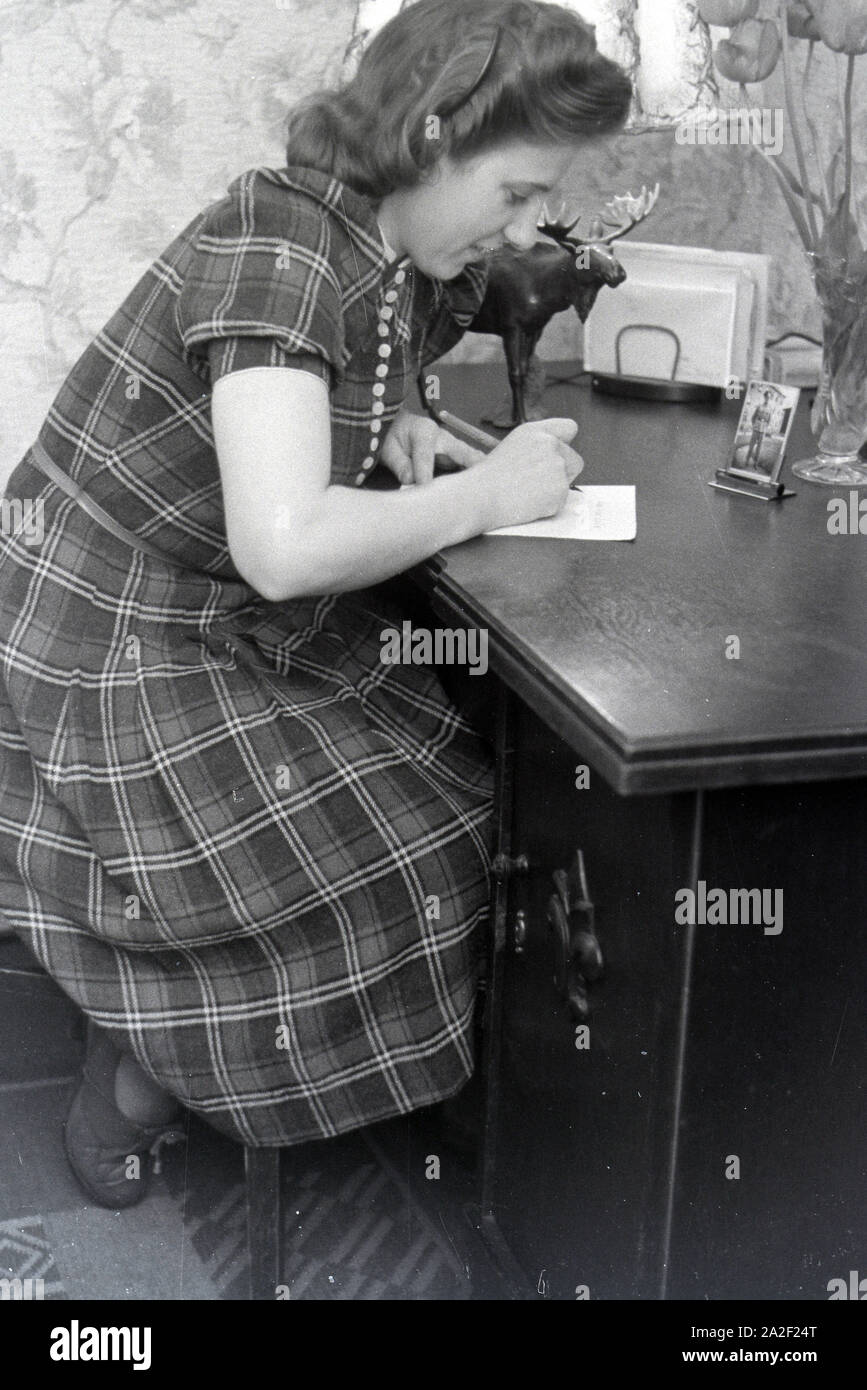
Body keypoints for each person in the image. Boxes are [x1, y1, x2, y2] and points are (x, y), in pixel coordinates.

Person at [0, 0, 631, 1208]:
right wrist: (492, 490)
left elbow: (313, 400)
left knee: (453, 769)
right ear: (431, 132)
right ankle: (134, 1070)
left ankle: (211, 1054)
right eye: (510, 194)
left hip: (199, 610)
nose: (516, 229)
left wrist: (384, 418)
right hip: (105, 632)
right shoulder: (276, 236)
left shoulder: (375, 250)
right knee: (404, 841)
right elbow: (284, 547)